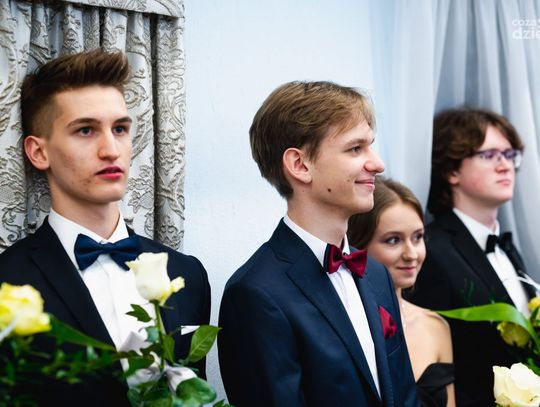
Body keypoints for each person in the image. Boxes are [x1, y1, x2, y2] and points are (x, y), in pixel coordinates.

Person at [0, 50, 210, 406]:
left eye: (120, 129)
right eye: (85, 130)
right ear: (38, 153)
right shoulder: (7, 283)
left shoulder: (186, 273)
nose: (111, 149)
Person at [218, 81, 419, 406]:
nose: (378, 164)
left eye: (370, 146)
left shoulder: (376, 273)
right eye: (356, 149)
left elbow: (405, 395)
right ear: (300, 165)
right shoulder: (255, 294)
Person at [408, 108, 532, 406]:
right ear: (452, 171)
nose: (505, 166)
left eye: (509, 154)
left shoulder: (507, 247)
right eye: (489, 155)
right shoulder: (431, 250)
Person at [348, 177, 455, 407]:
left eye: (418, 237)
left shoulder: (436, 325)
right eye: (393, 240)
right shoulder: (347, 328)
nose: (411, 254)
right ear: (359, 246)